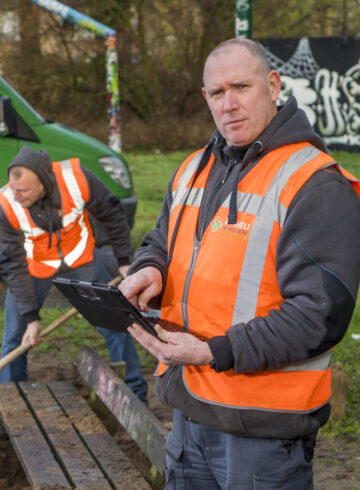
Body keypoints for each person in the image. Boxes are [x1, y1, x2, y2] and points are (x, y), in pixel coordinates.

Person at [119, 38, 360, 488]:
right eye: (216, 92)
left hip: (261, 429)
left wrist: (213, 351)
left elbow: (318, 316)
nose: (228, 104)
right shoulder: (194, 167)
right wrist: (150, 267)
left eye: (241, 87)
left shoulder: (315, 183)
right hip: (190, 408)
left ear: (272, 85)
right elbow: (161, 239)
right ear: (205, 98)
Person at [0, 146, 148, 404]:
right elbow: (12, 264)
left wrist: (123, 260)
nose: (16, 194)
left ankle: (134, 396)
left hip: (81, 260)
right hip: (33, 267)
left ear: (43, 184)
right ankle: (12, 403)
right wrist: (31, 317)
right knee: (15, 335)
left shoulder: (76, 179)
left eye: (23, 190)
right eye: (13, 188)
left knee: (115, 323)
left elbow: (112, 212)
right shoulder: (6, 203)